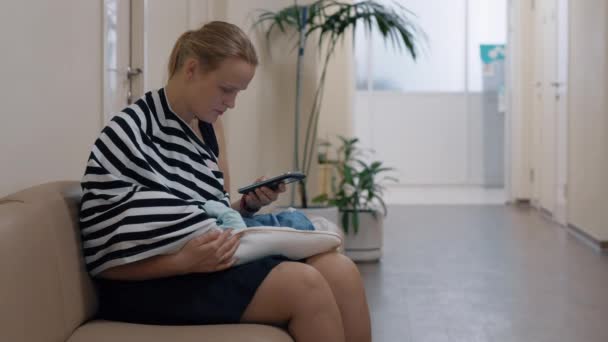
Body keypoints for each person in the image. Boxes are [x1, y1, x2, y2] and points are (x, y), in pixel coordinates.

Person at [79, 21, 371, 342]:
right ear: (192, 69)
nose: (231, 103)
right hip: (149, 286)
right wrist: (181, 262)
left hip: (204, 268)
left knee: (341, 271)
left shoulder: (208, 128)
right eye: (226, 89)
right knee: (305, 286)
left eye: (238, 93)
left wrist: (246, 206)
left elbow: (210, 215)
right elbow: (102, 260)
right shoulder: (127, 134)